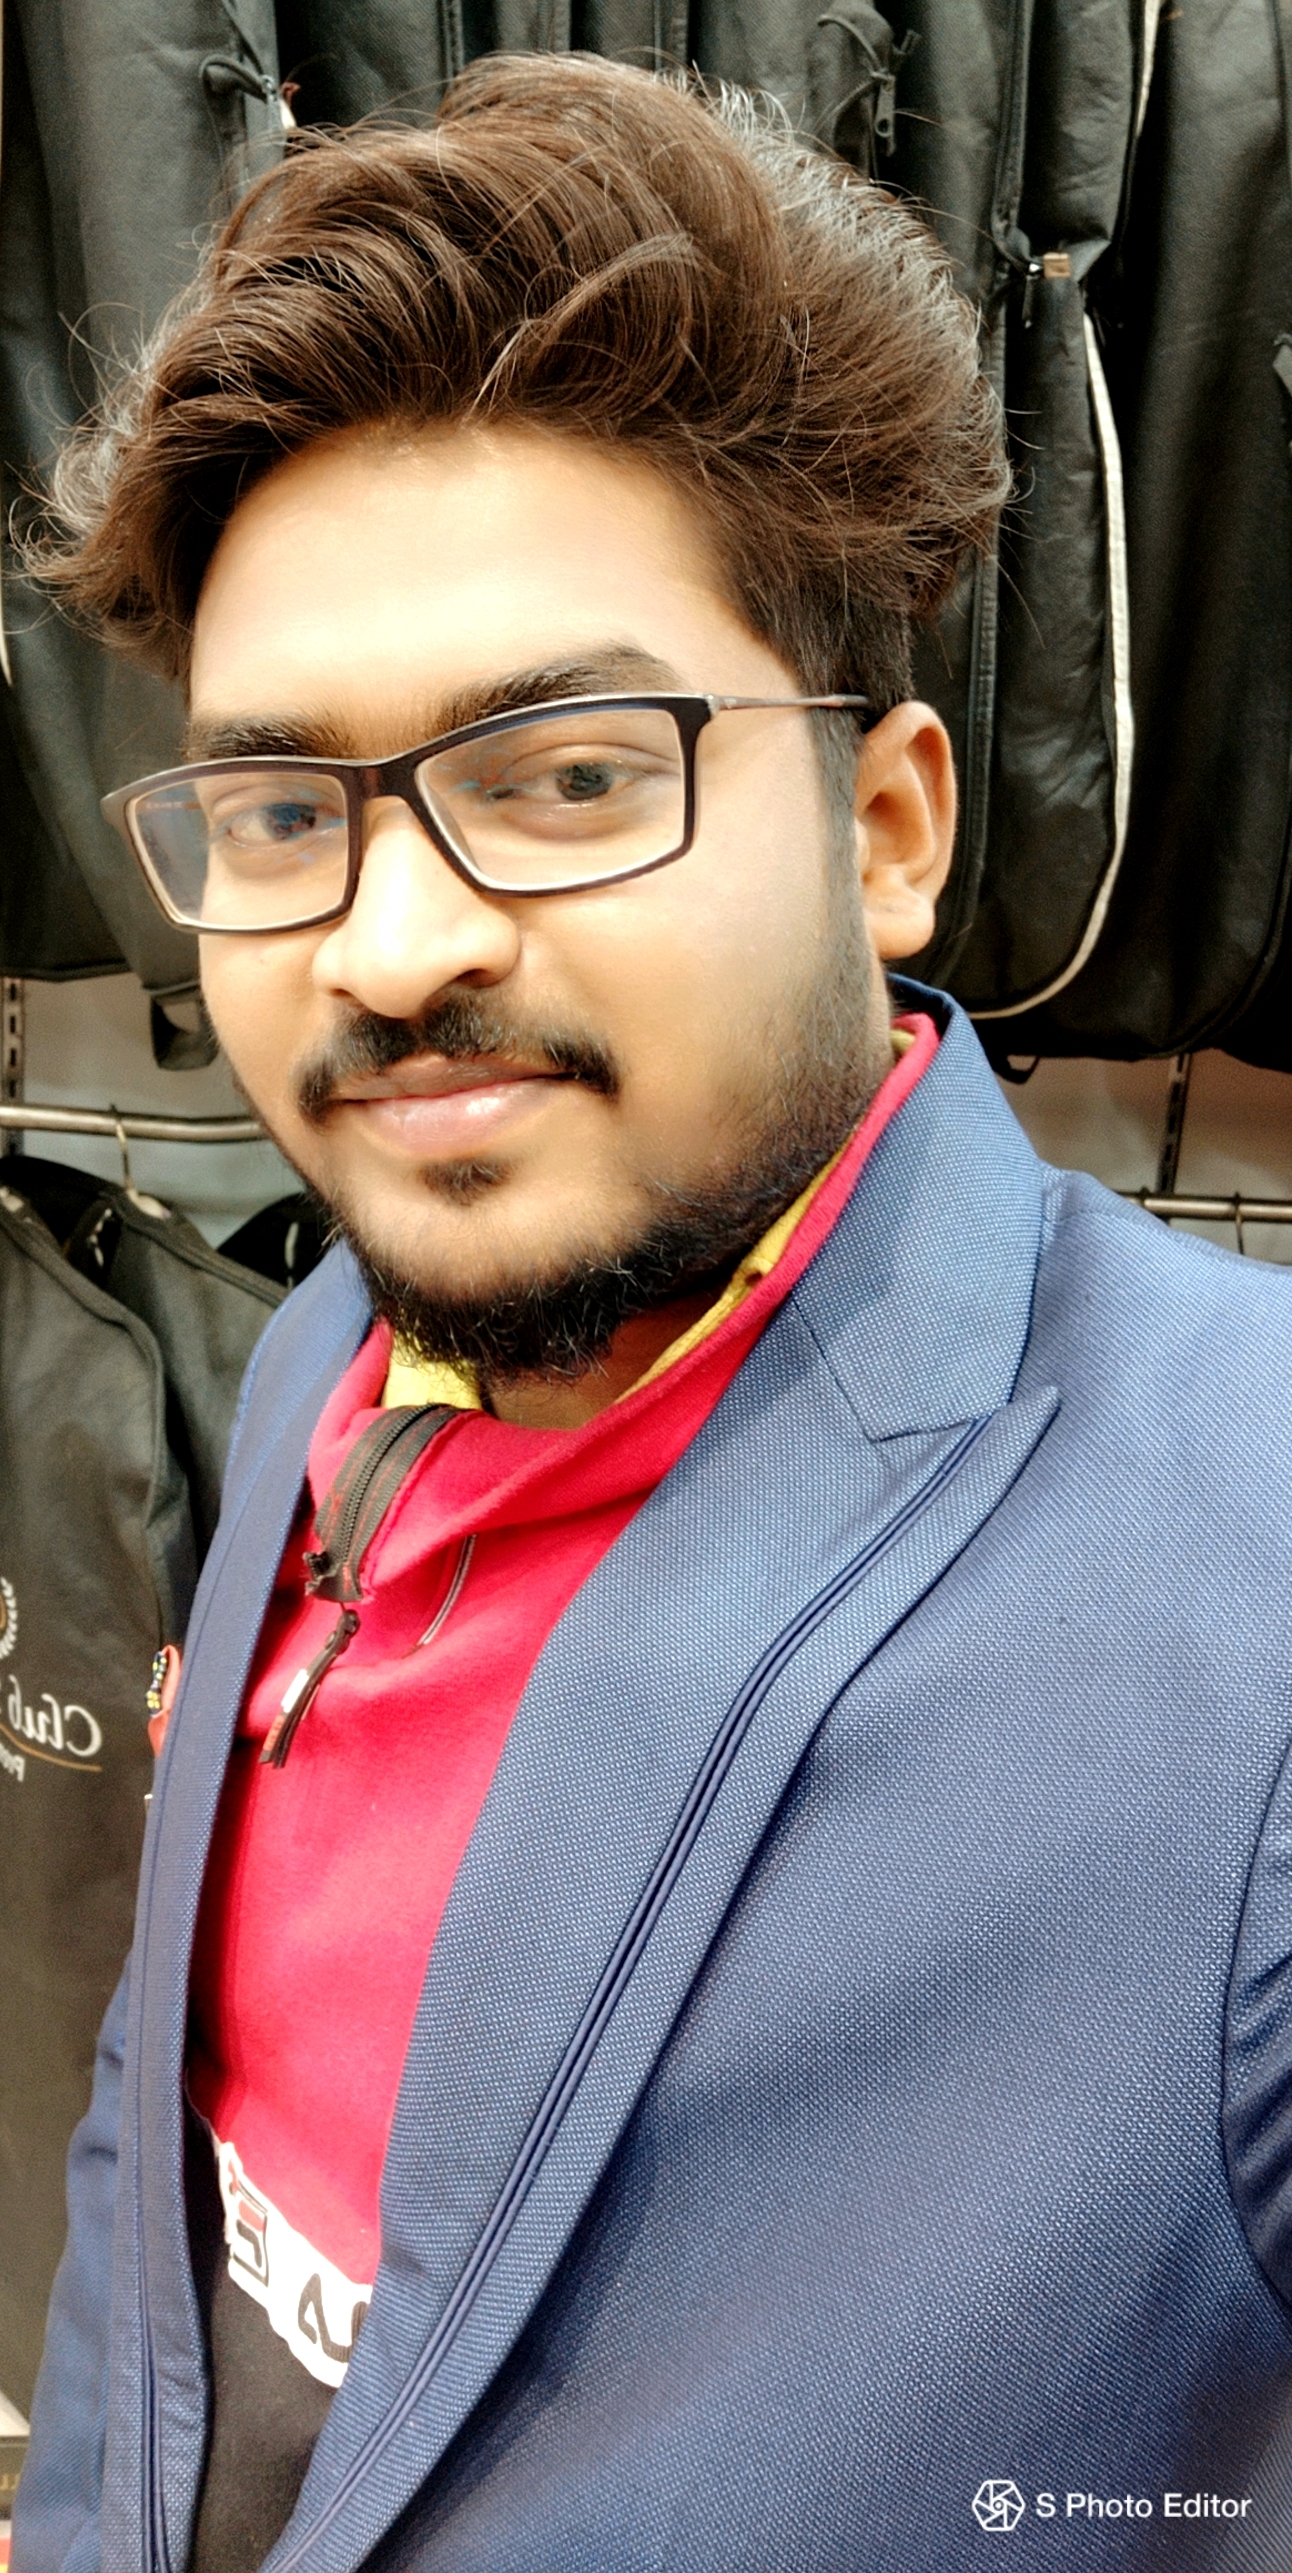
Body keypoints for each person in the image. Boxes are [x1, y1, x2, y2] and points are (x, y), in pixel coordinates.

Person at [14, 51, 1292, 2573]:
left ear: (888, 828)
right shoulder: (337, 1353)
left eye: (572, 774)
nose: (390, 948)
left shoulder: (1248, 1589)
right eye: (279, 813)